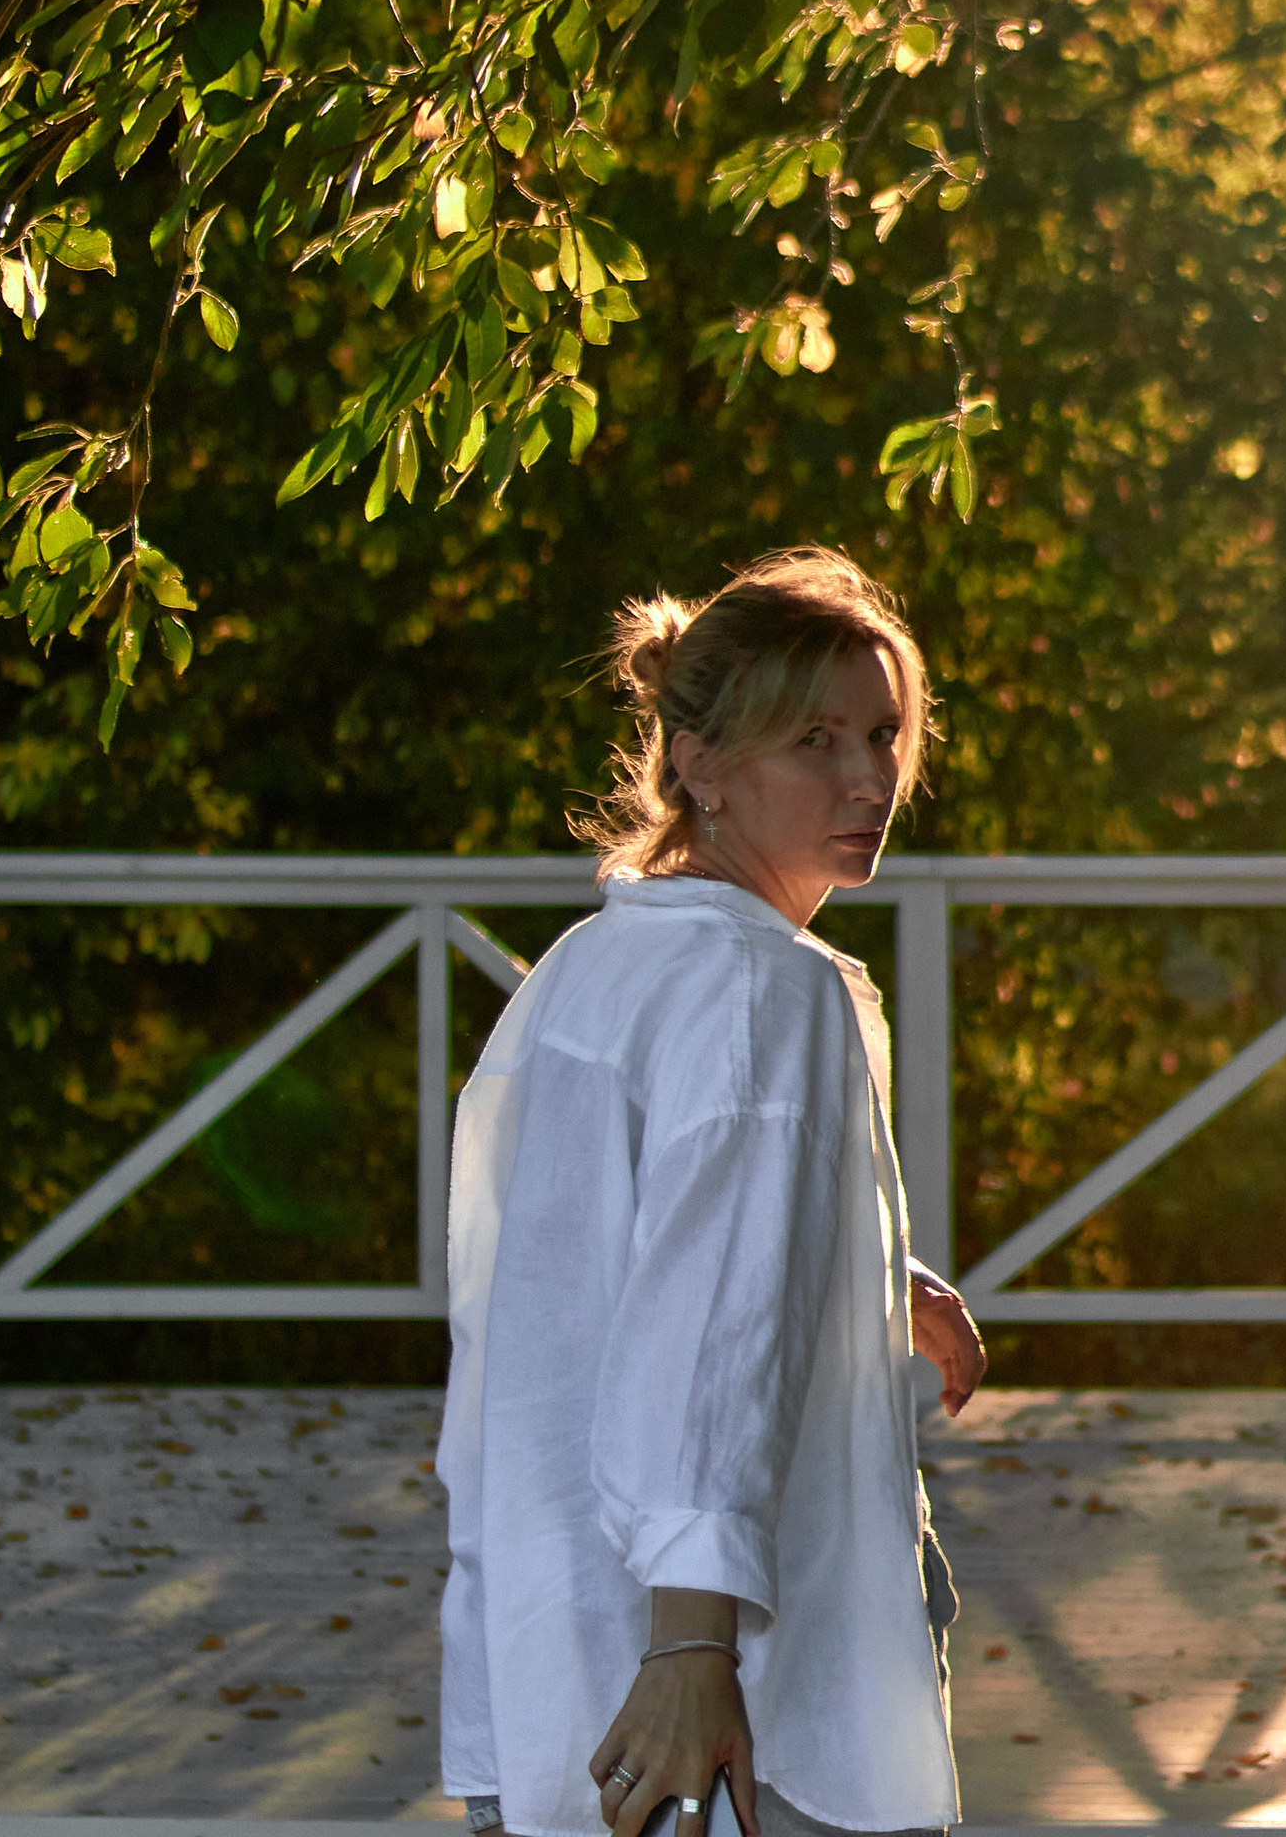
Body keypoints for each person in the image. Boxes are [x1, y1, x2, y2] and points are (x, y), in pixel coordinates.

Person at [436, 547, 987, 1837]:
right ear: (698, 762)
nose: (869, 779)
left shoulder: (596, 960)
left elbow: (604, 1261)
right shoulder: (764, 991)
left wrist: (864, 1271)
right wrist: (694, 1651)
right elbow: (701, 1341)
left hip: (554, 1642)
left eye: (882, 733)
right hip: (733, 1686)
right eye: (814, 739)